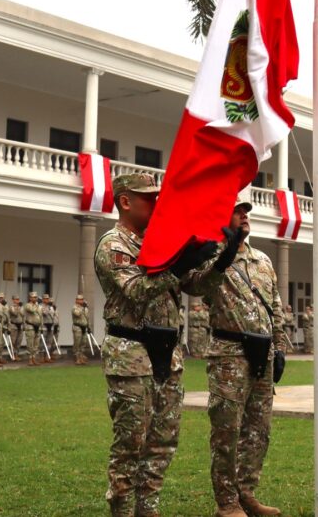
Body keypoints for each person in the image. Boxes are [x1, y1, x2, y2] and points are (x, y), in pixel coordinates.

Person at [95, 173, 219, 516]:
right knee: (130, 447)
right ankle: (121, 511)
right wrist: (180, 263)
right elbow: (135, 289)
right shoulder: (113, 244)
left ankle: (148, 510)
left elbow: (194, 285)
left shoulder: (159, 242)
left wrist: (219, 261)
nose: (155, 203)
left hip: (167, 356)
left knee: (162, 443)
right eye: (147, 198)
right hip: (131, 357)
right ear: (125, 201)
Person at [181, 198, 287, 517]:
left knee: (259, 428)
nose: (244, 217)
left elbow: (277, 307)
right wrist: (222, 260)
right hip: (229, 355)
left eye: (246, 213)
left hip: (263, 354)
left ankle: (246, 493)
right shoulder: (210, 257)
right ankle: (226, 502)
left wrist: (280, 346)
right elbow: (194, 286)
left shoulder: (262, 260)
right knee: (227, 429)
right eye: (238, 211)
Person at [23, 292, 45, 365]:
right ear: (30, 298)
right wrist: (37, 305)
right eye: (33, 297)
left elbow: (41, 316)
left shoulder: (38, 306)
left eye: (35, 297)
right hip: (30, 326)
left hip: (37, 326)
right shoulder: (27, 305)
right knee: (30, 343)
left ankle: (34, 358)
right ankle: (30, 358)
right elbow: (32, 310)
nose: (35, 298)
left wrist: (41, 327)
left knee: (36, 344)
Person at [71, 294, 90, 365]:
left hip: (84, 327)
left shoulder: (85, 308)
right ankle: (77, 358)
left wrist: (88, 327)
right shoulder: (74, 307)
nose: (81, 301)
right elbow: (77, 314)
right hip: (77, 327)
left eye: (82, 299)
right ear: (76, 300)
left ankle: (81, 357)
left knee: (83, 342)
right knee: (77, 343)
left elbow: (87, 318)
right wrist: (82, 308)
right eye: (80, 299)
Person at [42, 294, 59, 360]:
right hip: (44, 326)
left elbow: (54, 317)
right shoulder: (41, 306)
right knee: (43, 342)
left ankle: (47, 356)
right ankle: (42, 357)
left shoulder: (52, 307)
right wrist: (48, 308)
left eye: (48, 299)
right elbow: (45, 313)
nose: (47, 300)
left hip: (51, 326)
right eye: (45, 299)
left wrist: (53, 309)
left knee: (49, 342)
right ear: (43, 299)